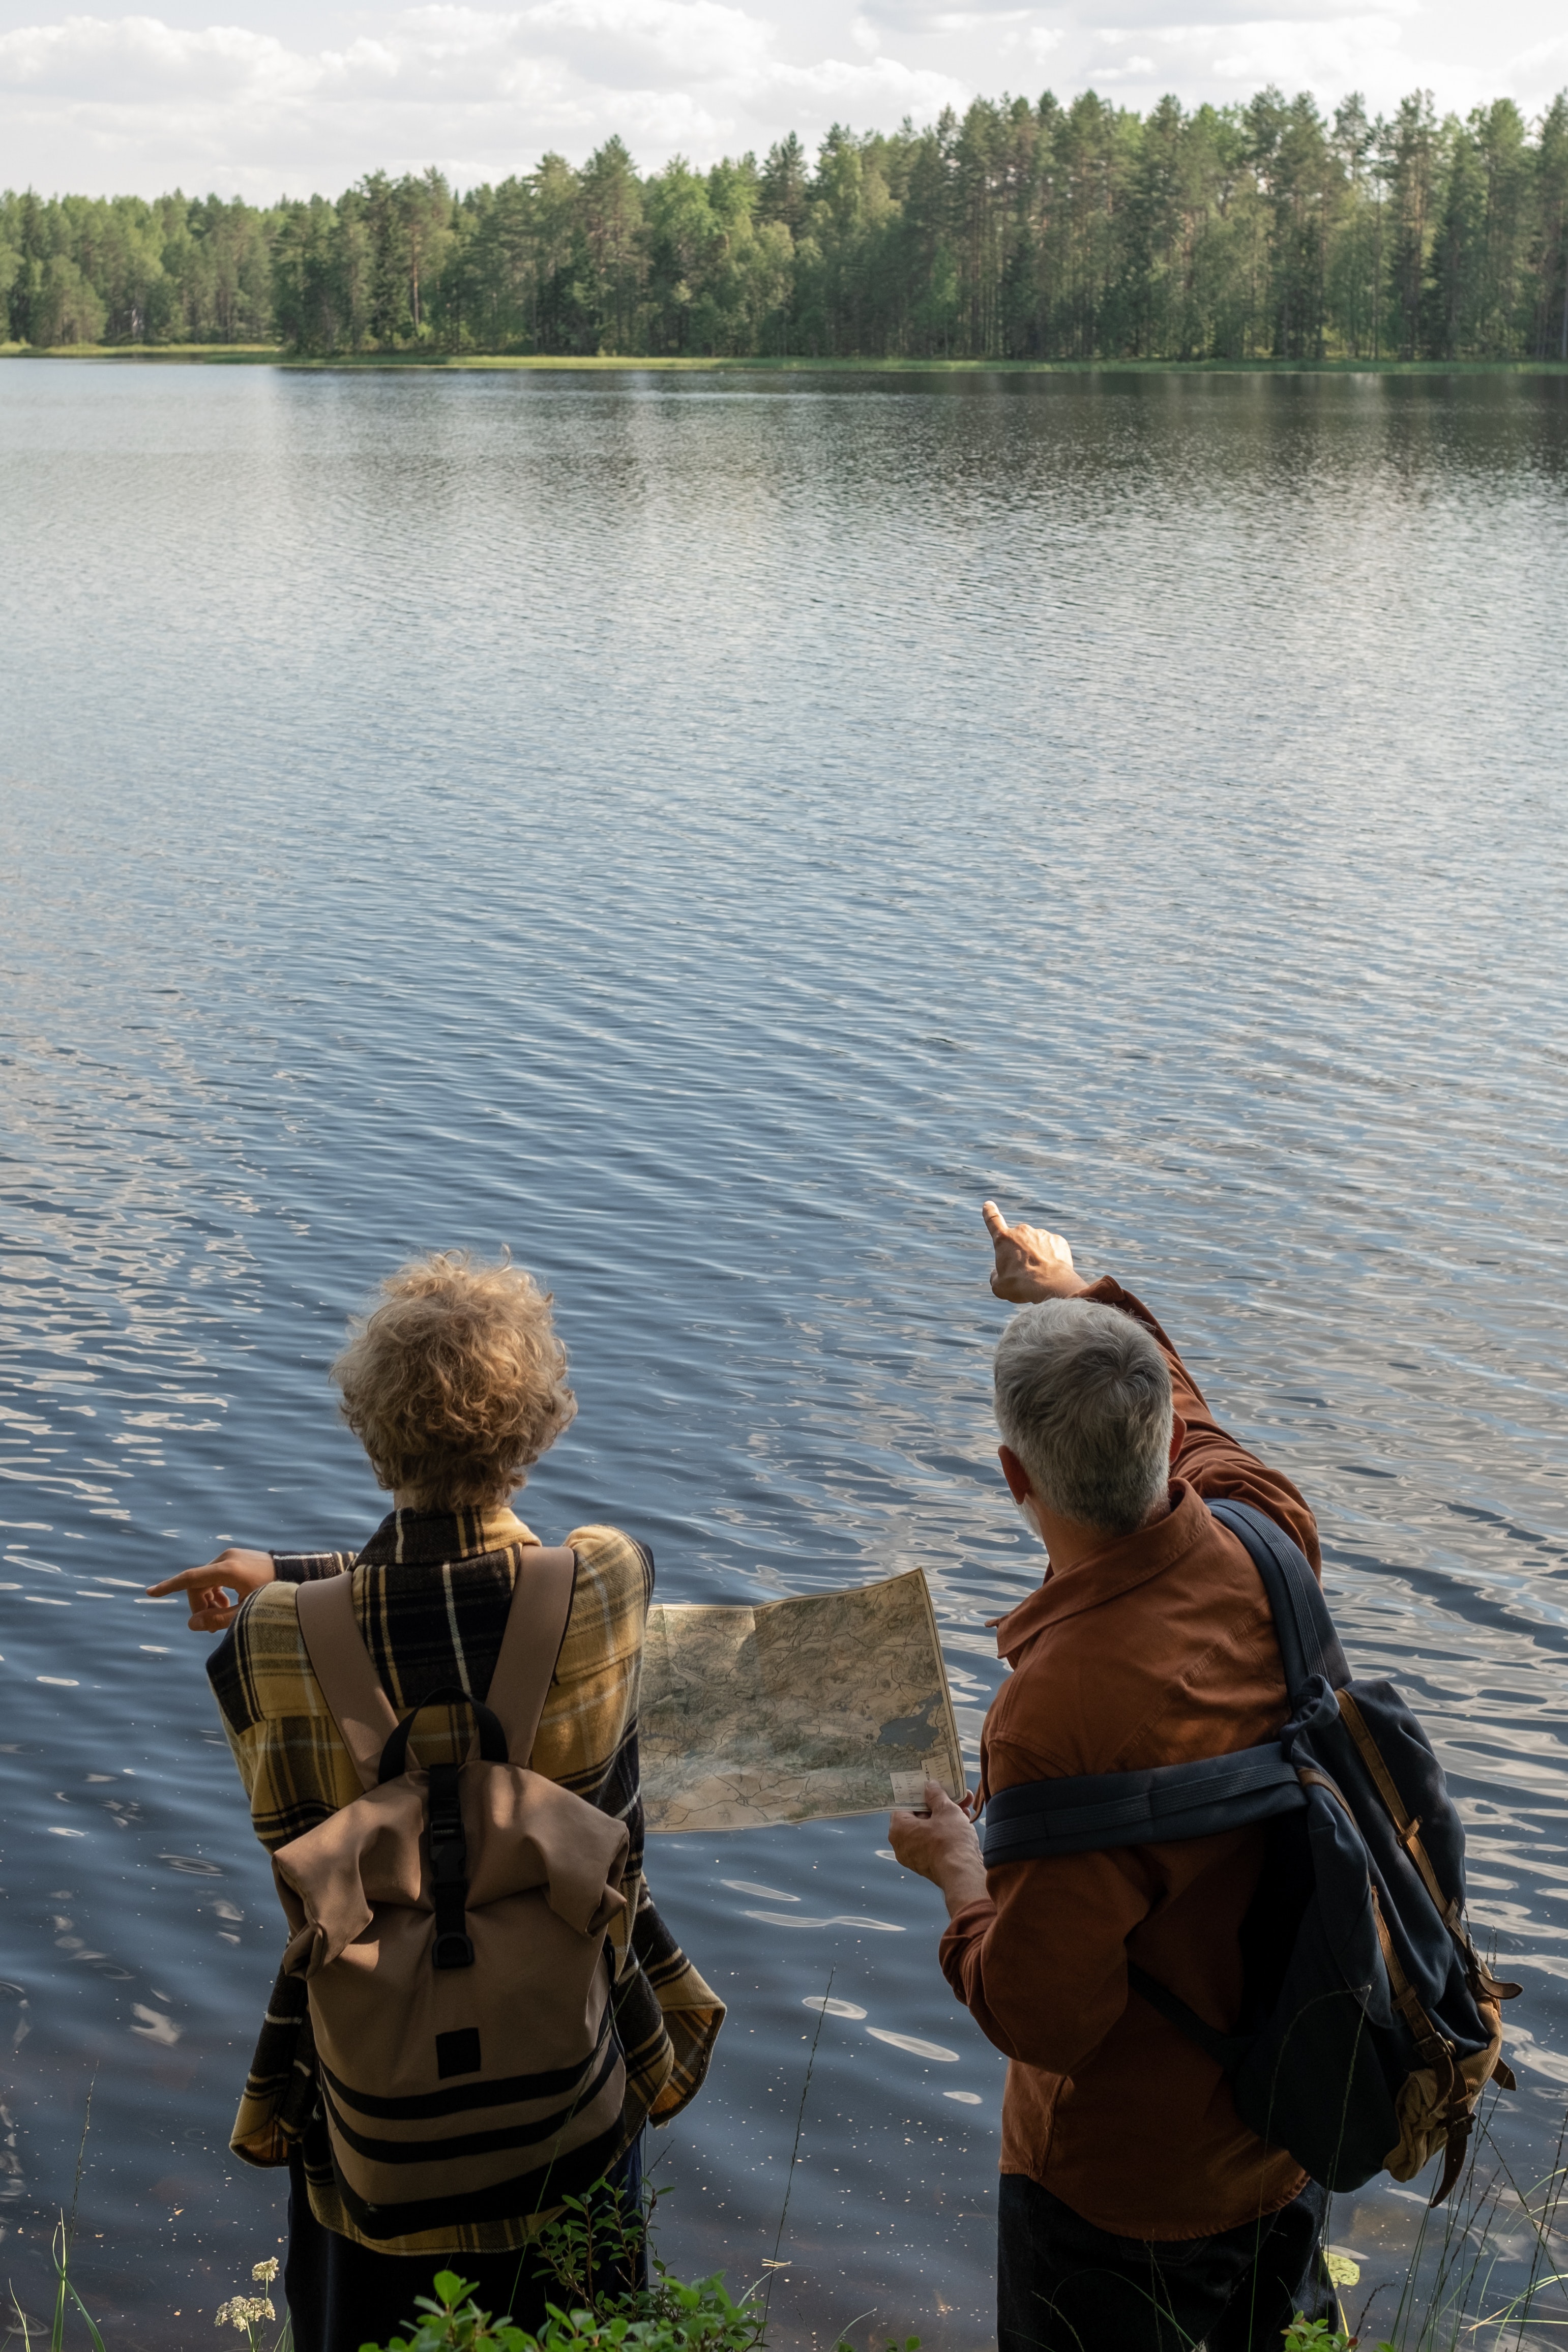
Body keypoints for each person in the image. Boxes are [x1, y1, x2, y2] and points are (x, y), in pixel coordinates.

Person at [150, 1250, 723, 2352]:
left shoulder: (275, 1640)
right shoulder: (603, 1583)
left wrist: (274, 1573)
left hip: (377, 2116)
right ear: (540, 1426)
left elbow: (360, 1622)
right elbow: (510, 1571)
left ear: (368, 1432)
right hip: (570, 2088)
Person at [888, 1203, 1341, 2352]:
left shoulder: (1054, 1712)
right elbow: (1190, 1410)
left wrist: (956, 1874)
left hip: (1120, 2191)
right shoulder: (1271, 1535)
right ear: (1158, 1443)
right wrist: (1072, 1287)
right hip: (1289, 2117)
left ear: (1011, 1476)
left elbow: (1044, 2013)